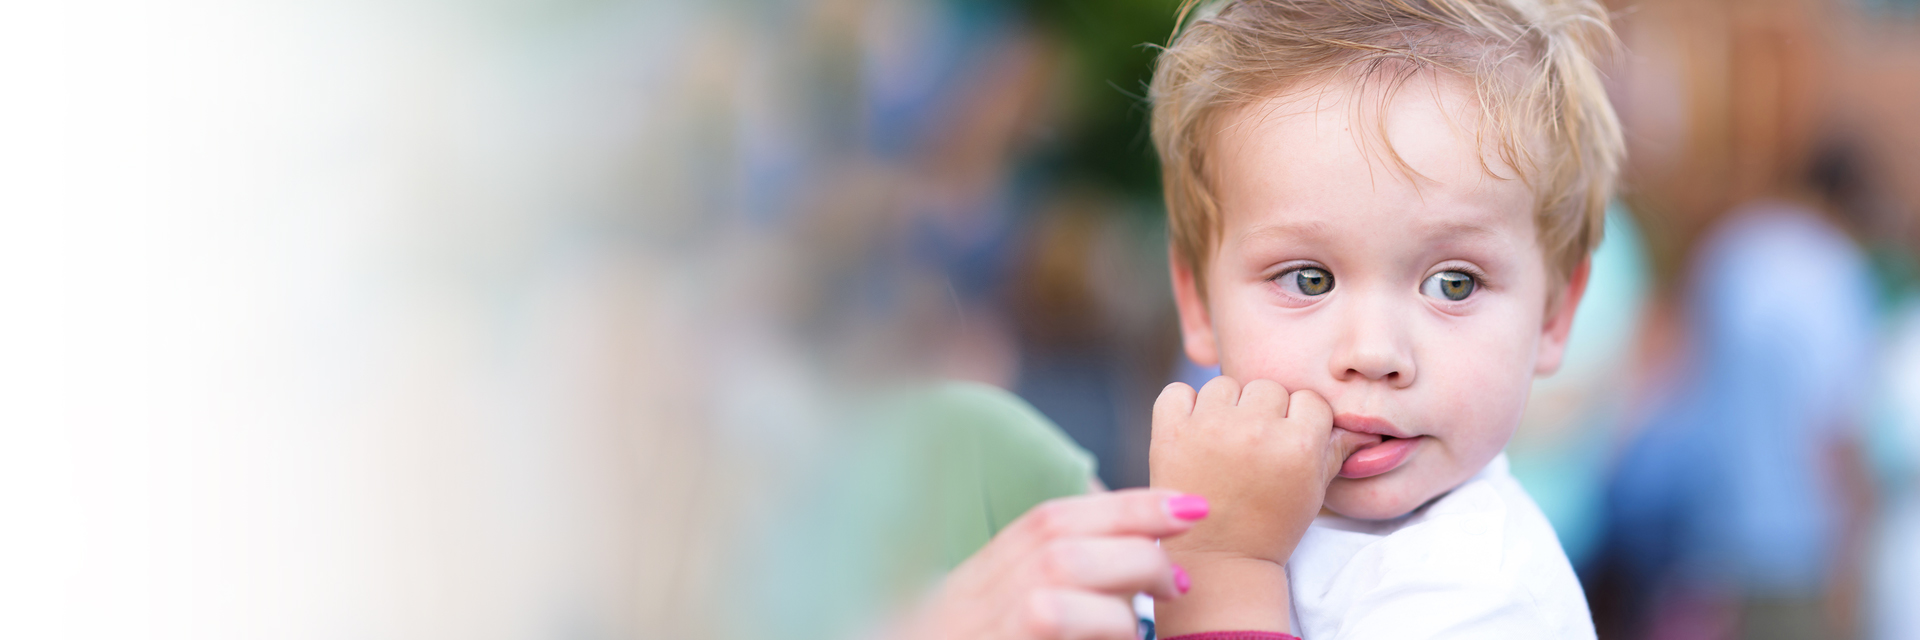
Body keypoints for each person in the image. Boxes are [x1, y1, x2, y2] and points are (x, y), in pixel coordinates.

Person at [1141, 0, 1622, 637]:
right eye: (1308, 279)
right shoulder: (1198, 508)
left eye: (1453, 284)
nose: (1373, 351)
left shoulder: (1482, 597)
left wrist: (1222, 571)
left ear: (1554, 316)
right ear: (1198, 299)